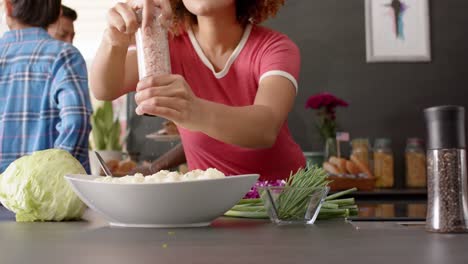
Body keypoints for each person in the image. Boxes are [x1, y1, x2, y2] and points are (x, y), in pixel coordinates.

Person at [90, 0, 305, 181]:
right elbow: (105, 89)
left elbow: (264, 129)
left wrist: (193, 110)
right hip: (209, 207)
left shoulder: (275, 48)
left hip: (280, 201)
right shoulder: (168, 46)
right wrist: (113, 42)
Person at [0, 0, 93, 172]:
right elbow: (76, 121)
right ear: (58, 12)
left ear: (8, 7)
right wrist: (49, 175)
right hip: (48, 194)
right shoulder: (64, 55)